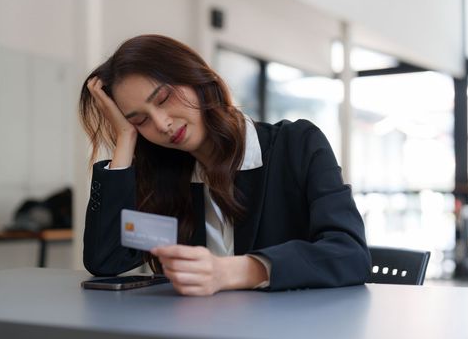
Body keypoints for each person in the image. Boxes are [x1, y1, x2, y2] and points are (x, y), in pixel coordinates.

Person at [79, 34, 371, 296]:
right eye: (140, 119)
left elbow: (350, 254)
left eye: (164, 98)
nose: (162, 123)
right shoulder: (167, 175)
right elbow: (106, 261)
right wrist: (125, 138)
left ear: (196, 79)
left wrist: (233, 271)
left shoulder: (296, 145)